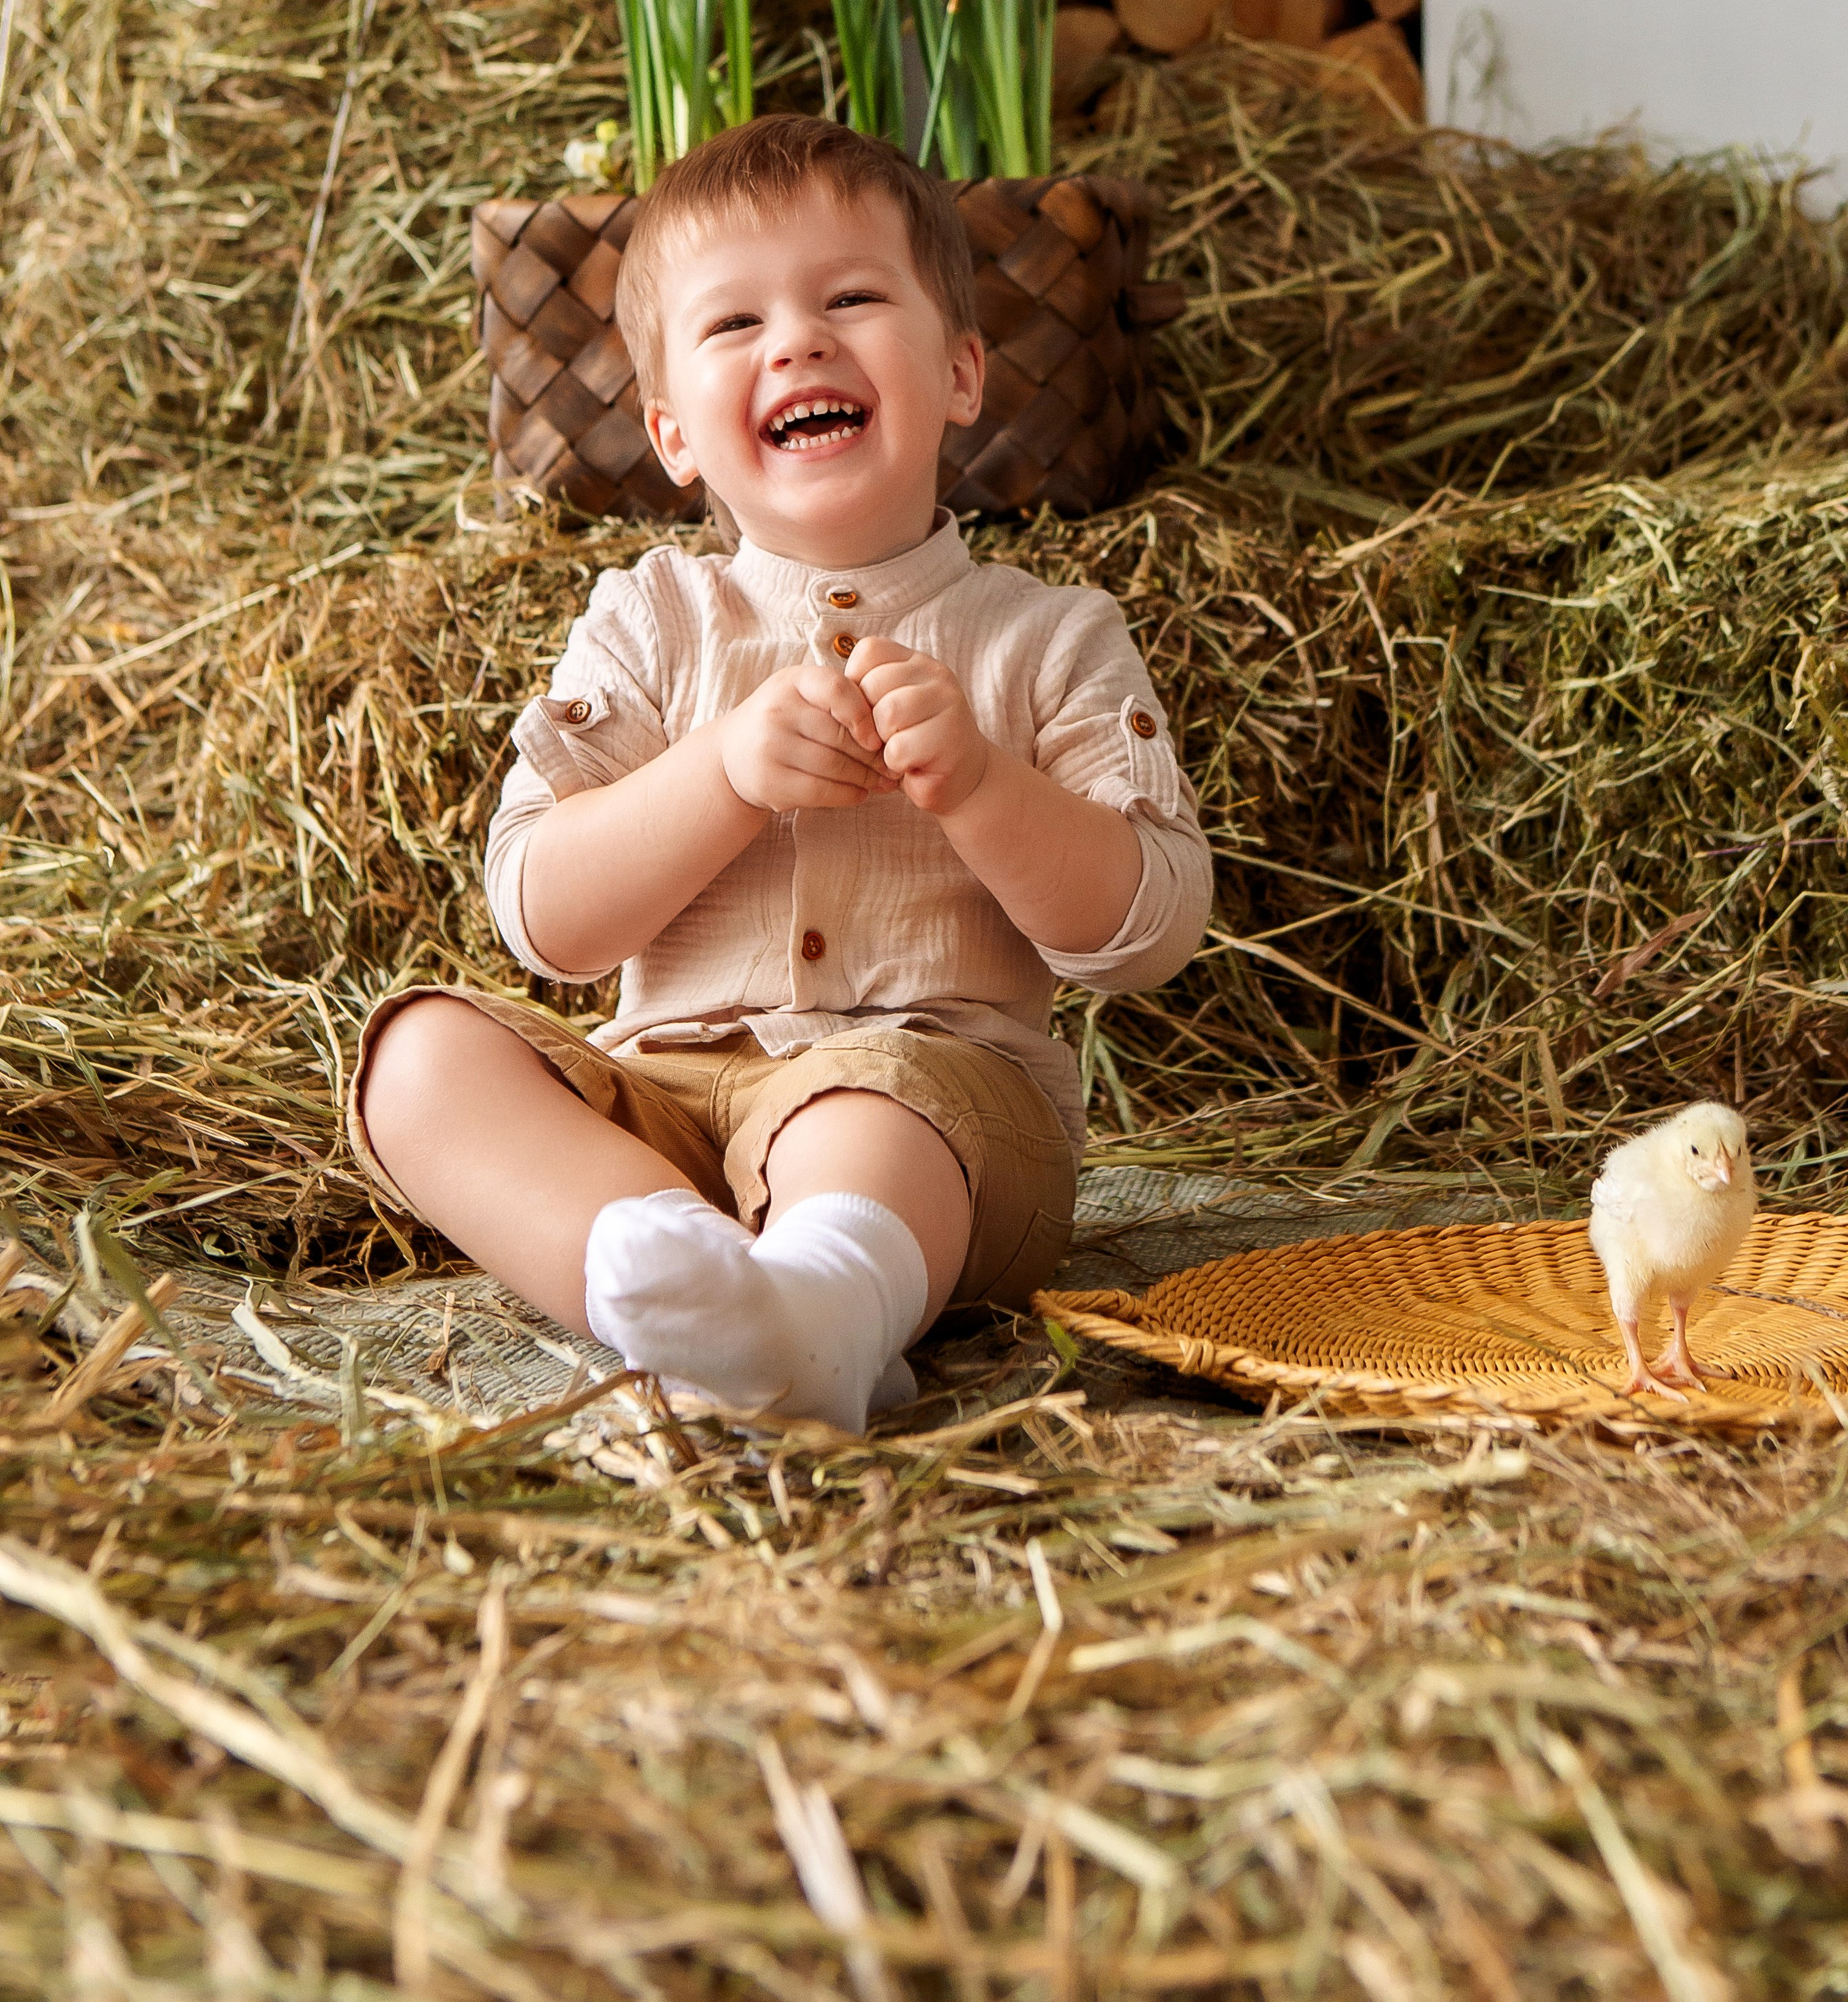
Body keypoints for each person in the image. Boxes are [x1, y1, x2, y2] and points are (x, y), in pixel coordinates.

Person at [351, 116, 1211, 1429]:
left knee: (864, 1104)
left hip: (935, 1109)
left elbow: (1151, 929)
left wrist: (984, 788)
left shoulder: (1049, 639)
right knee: (418, 1059)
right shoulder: (649, 621)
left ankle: (820, 1308)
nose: (798, 342)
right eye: (735, 322)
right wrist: (720, 774)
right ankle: (673, 1281)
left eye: (851, 298)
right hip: (663, 1109)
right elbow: (543, 917)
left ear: (962, 372)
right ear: (673, 434)